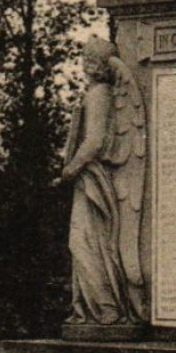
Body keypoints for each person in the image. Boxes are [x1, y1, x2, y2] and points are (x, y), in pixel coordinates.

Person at [56, 37, 147, 330]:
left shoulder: (99, 94)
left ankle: (105, 309)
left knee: (84, 242)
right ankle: (97, 308)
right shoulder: (100, 92)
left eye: (89, 57)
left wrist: (70, 170)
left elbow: (94, 141)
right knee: (88, 242)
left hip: (92, 178)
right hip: (91, 177)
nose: (85, 63)